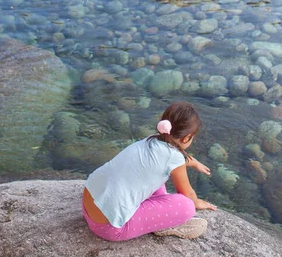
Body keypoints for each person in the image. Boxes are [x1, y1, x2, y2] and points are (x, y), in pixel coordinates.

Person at [82, 101, 217, 241]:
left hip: (88, 205)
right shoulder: (175, 158)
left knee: (154, 175)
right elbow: (187, 193)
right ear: (187, 138)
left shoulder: (151, 140)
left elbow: (173, 155)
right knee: (187, 206)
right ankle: (164, 225)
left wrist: (192, 162)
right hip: (110, 228)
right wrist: (197, 202)